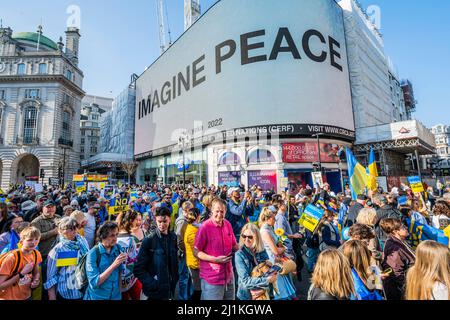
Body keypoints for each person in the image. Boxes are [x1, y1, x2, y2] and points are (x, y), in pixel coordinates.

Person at [194, 198, 238, 300]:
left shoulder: (227, 224)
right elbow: (196, 251)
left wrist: (249, 243)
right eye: (217, 211)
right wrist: (215, 259)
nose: (219, 214)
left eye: (222, 211)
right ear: (211, 211)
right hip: (212, 278)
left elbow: (235, 246)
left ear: (226, 212)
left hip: (229, 276)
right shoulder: (205, 227)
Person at [134, 206, 178, 300]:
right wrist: (153, 284)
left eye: (165, 221)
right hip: (154, 293)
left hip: (169, 290)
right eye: (159, 222)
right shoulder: (149, 240)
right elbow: (138, 269)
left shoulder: (173, 237)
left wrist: (175, 279)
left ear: (169, 219)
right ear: (155, 220)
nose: (162, 224)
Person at [44, 217, 89, 300]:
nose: (73, 230)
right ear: (60, 231)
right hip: (67, 292)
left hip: (84, 290)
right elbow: (51, 277)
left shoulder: (82, 240)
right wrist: (52, 297)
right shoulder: (58, 250)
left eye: (75, 227)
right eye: (69, 228)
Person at [259, 207, 297, 300]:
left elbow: (277, 245)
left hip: (278, 260)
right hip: (273, 263)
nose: (275, 220)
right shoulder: (265, 231)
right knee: (281, 291)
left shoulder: (269, 228)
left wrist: (280, 245)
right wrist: (283, 248)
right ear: (268, 218)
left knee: (285, 288)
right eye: (273, 218)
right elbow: (275, 251)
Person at [84, 221, 126, 300]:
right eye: (112, 235)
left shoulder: (118, 248)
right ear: (103, 236)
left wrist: (119, 293)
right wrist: (113, 265)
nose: (116, 238)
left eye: (117, 234)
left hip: (115, 296)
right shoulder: (93, 253)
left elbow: (120, 272)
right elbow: (94, 283)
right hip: (98, 297)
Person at [235, 223, 277, 300]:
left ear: (256, 237)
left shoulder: (261, 250)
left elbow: (267, 272)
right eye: (244, 236)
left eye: (250, 237)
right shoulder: (239, 255)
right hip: (247, 296)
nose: (246, 239)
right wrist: (266, 280)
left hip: (265, 294)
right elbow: (245, 281)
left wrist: (273, 269)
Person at [0, 226, 42, 300]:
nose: (33, 242)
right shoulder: (12, 258)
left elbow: (36, 272)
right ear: (21, 241)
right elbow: (1, 285)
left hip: (27, 296)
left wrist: (36, 280)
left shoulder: (36, 253)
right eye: (29, 240)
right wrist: (21, 274)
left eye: (36, 239)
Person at [380, 218, 416, 300]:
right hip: (398, 290)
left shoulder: (400, 240)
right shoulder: (394, 247)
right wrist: (409, 287)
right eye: (403, 227)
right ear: (395, 231)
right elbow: (396, 273)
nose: (406, 228)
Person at [116, 210, 142, 300]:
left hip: (121, 280)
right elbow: (136, 258)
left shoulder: (114, 237)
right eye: (135, 220)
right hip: (129, 278)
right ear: (131, 221)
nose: (137, 222)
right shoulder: (132, 239)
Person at [175, 201, 194, 300]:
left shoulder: (186, 219)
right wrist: (185, 251)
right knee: (184, 277)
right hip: (184, 254)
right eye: (191, 210)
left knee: (188, 276)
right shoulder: (182, 221)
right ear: (185, 210)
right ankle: (183, 298)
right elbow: (179, 240)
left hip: (187, 253)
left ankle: (188, 296)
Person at [183, 207, 202, 300]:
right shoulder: (192, 231)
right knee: (197, 290)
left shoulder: (194, 227)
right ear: (198, 217)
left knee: (197, 288)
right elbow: (199, 248)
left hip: (196, 263)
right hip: (195, 264)